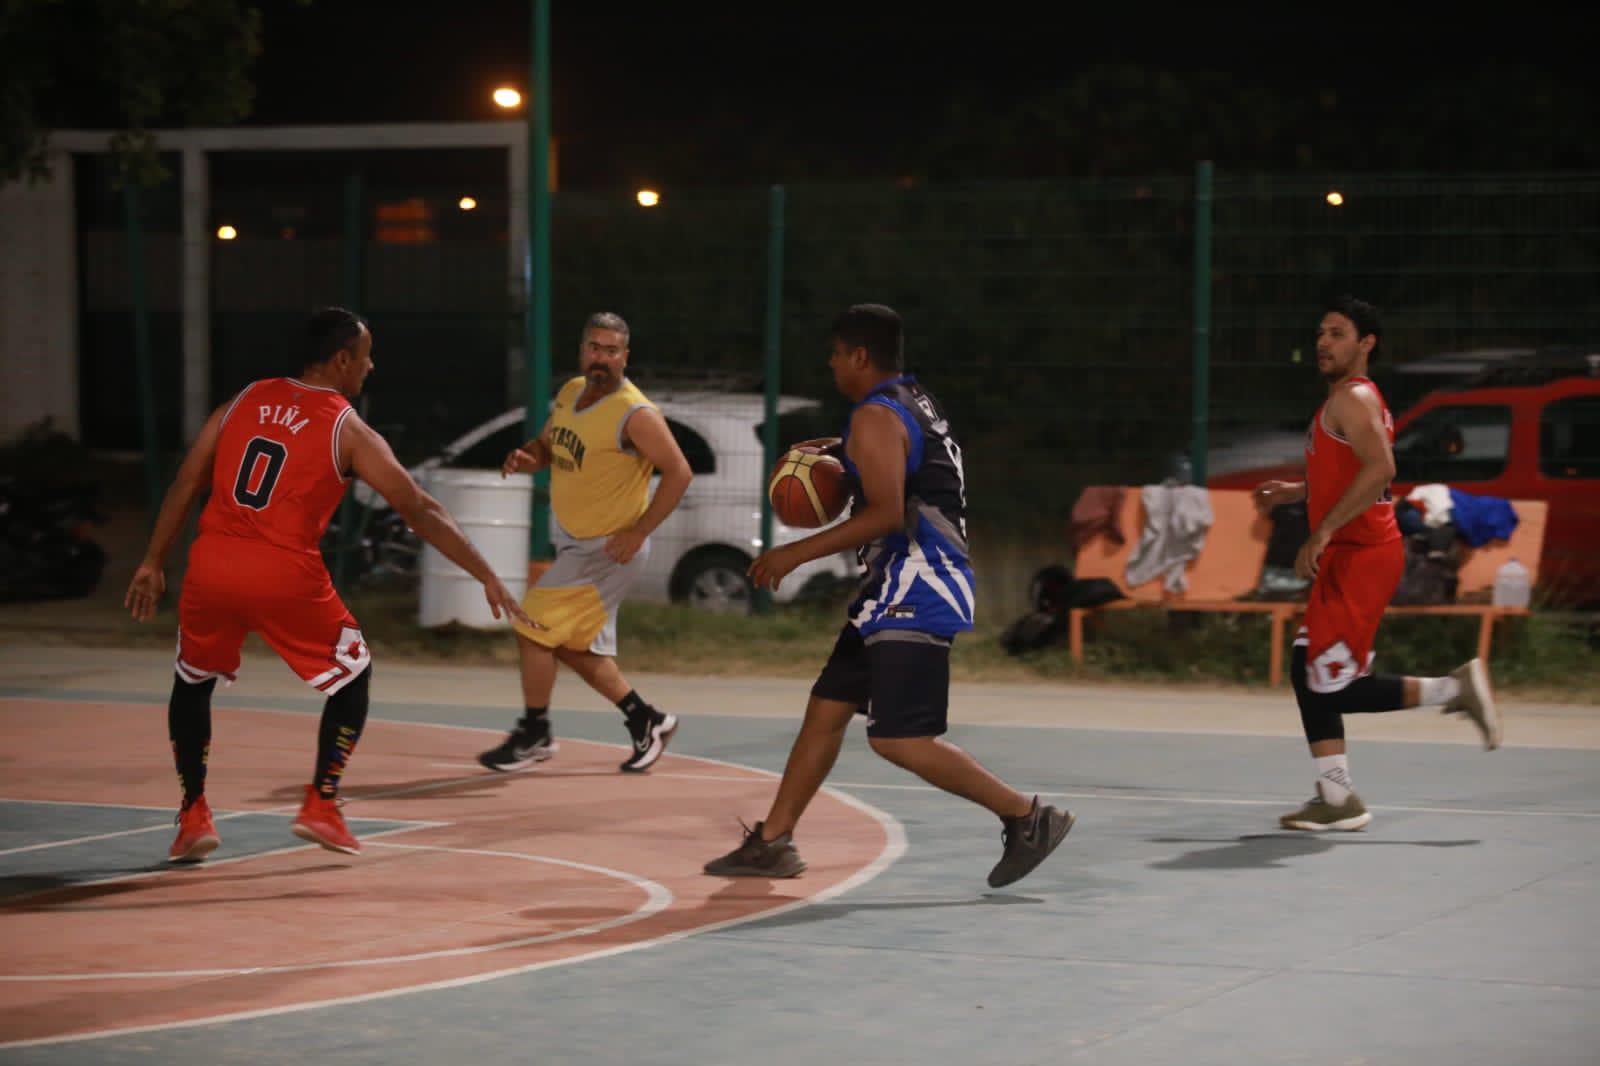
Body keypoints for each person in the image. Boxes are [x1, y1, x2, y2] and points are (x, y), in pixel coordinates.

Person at [126, 307, 527, 863]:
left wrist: (152, 560)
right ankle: (322, 801)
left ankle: (193, 813)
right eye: (365, 355)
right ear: (342, 360)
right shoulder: (347, 427)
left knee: (192, 680)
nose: (370, 365)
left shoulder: (240, 402)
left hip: (212, 565)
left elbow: (187, 481)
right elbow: (419, 509)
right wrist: (485, 571)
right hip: (284, 572)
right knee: (353, 674)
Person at [704, 304, 1072, 887]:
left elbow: (886, 514)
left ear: (858, 355)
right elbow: (905, 469)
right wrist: (845, 455)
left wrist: (795, 551)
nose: (829, 364)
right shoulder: (913, 401)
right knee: (825, 712)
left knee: (900, 739)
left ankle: (1027, 817)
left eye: (833, 354)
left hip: (915, 583)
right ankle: (772, 842)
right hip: (894, 586)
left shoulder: (876, 417)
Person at [1253, 296, 1502, 832]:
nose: (1324, 342)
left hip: (1361, 555)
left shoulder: (1354, 399)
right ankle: (1336, 795)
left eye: (1338, 333)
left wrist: (1321, 530)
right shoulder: (1344, 401)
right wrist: (1298, 491)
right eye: (1321, 332)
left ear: (1367, 344)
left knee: (1330, 683)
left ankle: (1452, 690)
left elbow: (1381, 468)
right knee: (1309, 670)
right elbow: (1354, 473)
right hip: (1354, 552)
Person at [477, 312, 693, 774]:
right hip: (577, 544)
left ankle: (535, 732)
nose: (602, 358)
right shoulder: (572, 393)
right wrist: (529, 457)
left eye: (612, 350)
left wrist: (639, 532)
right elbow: (548, 445)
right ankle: (646, 720)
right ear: (582, 350)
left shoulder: (636, 414)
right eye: (595, 347)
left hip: (608, 551)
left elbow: (679, 472)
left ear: (625, 356)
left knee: (531, 625)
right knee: (573, 647)